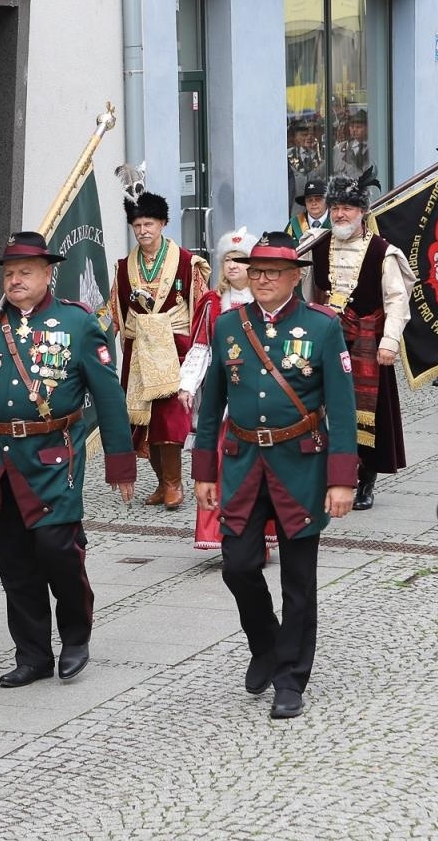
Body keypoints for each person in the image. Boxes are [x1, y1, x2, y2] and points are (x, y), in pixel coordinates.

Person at [0, 232, 138, 686]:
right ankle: (33, 655)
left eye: (25, 272)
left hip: (52, 456)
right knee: (15, 560)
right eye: (9, 273)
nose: (15, 280)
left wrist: (120, 464)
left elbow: (108, 397)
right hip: (0, 459)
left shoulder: (77, 323)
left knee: (57, 550)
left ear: (49, 274)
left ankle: (76, 636)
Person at [191, 232, 358, 721]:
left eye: (272, 272)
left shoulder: (322, 328)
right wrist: (204, 470)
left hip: (301, 464)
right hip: (243, 462)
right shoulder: (227, 326)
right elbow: (211, 405)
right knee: (237, 565)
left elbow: (343, 411)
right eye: (255, 270)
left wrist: (342, 478)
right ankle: (264, 643)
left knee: (298, 581)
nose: (261, 279)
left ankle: (290, 677)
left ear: (295, 277)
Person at [309, 172, 412, 510]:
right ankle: (329, 472)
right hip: (327, 338)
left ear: (363, 212)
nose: (340, 214)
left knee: (366, 413)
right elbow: (310, 293)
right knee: (321, 407)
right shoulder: (318, 245)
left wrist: (390, 341)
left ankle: (365, 479)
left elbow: (397, 299)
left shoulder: (384, 252)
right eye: (336, 207)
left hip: (366, 341)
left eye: (349, 208)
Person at [113, 190, 210, 510]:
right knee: (143, 421)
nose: (143, 231)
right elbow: (116, 310)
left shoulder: (186, 261)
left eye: (149, 223)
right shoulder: (124, 266)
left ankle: (174, 484)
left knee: (169, 419)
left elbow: (200, 307)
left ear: (163, 224)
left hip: (174, 347)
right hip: (138, 349)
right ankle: (160, 482)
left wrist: (203, 348)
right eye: (137, 224)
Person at [179, 227, 275, 552]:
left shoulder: (267, 301)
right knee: (223, 468)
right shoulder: (213, 303)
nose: (232, 265)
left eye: (239, 259)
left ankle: (261, 534)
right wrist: (187, 384)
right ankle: (224, 535)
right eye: (228, 260)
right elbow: (201, 348)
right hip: (226, 404)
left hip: (263, 402)